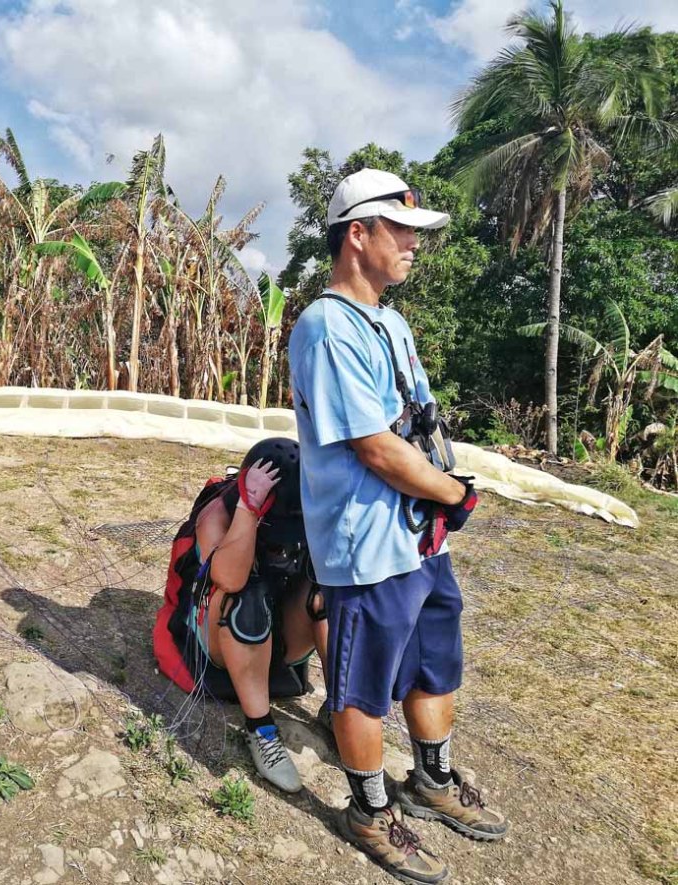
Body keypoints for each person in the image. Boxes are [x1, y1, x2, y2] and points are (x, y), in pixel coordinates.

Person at [288, 169, 508, 884]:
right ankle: (368, 807)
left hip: (417, 535)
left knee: (434, 660)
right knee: (361, 686)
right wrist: (453, 492)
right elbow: (375, 446)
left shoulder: (390, 318)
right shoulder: (325, 327)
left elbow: (416, 421)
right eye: (402, 230)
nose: (415, 244)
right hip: (366, 544)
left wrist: (443, 496)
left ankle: (433, 780)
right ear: (359, 233)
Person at [153, 437, 329, 793]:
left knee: (328, 597)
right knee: (245, 597)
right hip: (220, 637)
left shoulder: (308, 509)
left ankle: (340, 708)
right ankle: (261, 730)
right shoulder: (216, 515)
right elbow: (229, 578)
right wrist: (249, 510)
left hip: (277, 640)